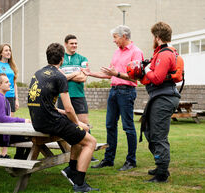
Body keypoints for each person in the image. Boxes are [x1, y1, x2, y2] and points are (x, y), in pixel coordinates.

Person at [101, 22, 180, 182]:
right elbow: (150, 78)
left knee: (158, 135)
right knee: (149, 131)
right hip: (158, 97)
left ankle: (162, 173)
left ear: (157, 37)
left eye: (153, 36)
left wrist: (146, 69)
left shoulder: (165, 54)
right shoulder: (161, 53)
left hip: (163, 98)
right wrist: (145, 70)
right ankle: (160, 166)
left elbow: (156, 78)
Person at [28, 43, 99, 192]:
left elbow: (43, 102)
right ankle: (79, 184)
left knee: (79, 135)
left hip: (37, 122)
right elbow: (69, 108)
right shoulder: (60, 76)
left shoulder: (38, 73)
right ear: (62, 58)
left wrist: (64, 115)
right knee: (90, 141)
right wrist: (77, 123)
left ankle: (71, 169)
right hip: (50, 122)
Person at [82, 25, 143, 171]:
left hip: (127, 91)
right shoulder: (117, 52)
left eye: (115, 37)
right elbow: (110, 73)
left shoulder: (136, 52)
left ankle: (131, 161)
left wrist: (116, 74)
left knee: (128, 127)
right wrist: (90, 74)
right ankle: (109, 159)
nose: (114, 40)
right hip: (114, 91)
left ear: (124, 36)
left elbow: (136, 78)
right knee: (110, 125)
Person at [57, 34, 98, 162]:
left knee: (84, 124)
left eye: (76, 43)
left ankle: (88, 153)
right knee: (62, 124)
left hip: (79, 96)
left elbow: (83, 77)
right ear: (66, 44)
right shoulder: (60, 59)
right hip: (64, 96)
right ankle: (67, 150)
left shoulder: (82, 58)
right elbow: (58, 77)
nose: (74, 45)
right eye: (71, 43)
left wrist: (67, 75)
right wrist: (76, 73)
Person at [0, 43, 30, 158]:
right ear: (1, 52)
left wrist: (16, 99)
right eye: (6, 50)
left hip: (10, 96)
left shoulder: (11, 67)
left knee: (9, 125)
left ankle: (4, 153)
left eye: (10, 50)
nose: (8, 52)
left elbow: (14, 83)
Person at [0, 73, 31, 159]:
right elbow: (2, 118)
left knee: (25, 136)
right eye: (6, 82)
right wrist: (23, 121)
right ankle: (21, 161)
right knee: (30, 137)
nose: (9, 83)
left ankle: (20, 160)